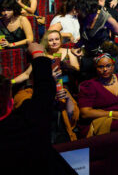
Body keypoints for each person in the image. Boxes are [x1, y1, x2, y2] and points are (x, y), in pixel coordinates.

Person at [0, 41, 78, 174]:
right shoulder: (25, 117)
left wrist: (67, 99)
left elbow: (73, 116)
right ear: (10, 103)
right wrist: (38, 54)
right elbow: (43, 93)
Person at [78, 52, 118, 153]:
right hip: (101, 120)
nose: (105, 69)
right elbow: (85, 113)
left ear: (113, 66)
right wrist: (112, 114)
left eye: (108, 66)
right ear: (96, 68)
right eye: (100, 67)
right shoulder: (90, 85)